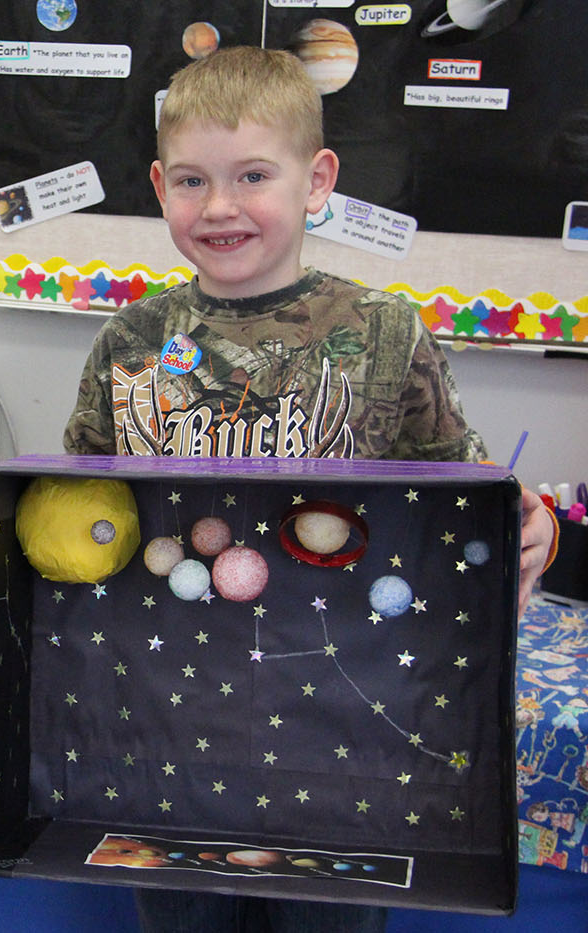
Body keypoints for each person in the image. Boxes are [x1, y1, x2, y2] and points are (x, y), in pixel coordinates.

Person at [62, 46, 557, 932]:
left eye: (253, 175)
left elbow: (470, 495)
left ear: (317, 178)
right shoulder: (129, 341)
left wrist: (535, 526)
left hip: (343, 743)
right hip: (168, 745)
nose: (219, 207)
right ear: (157, 185)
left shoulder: (383, 333)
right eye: (190, 181)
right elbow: (75, 510)